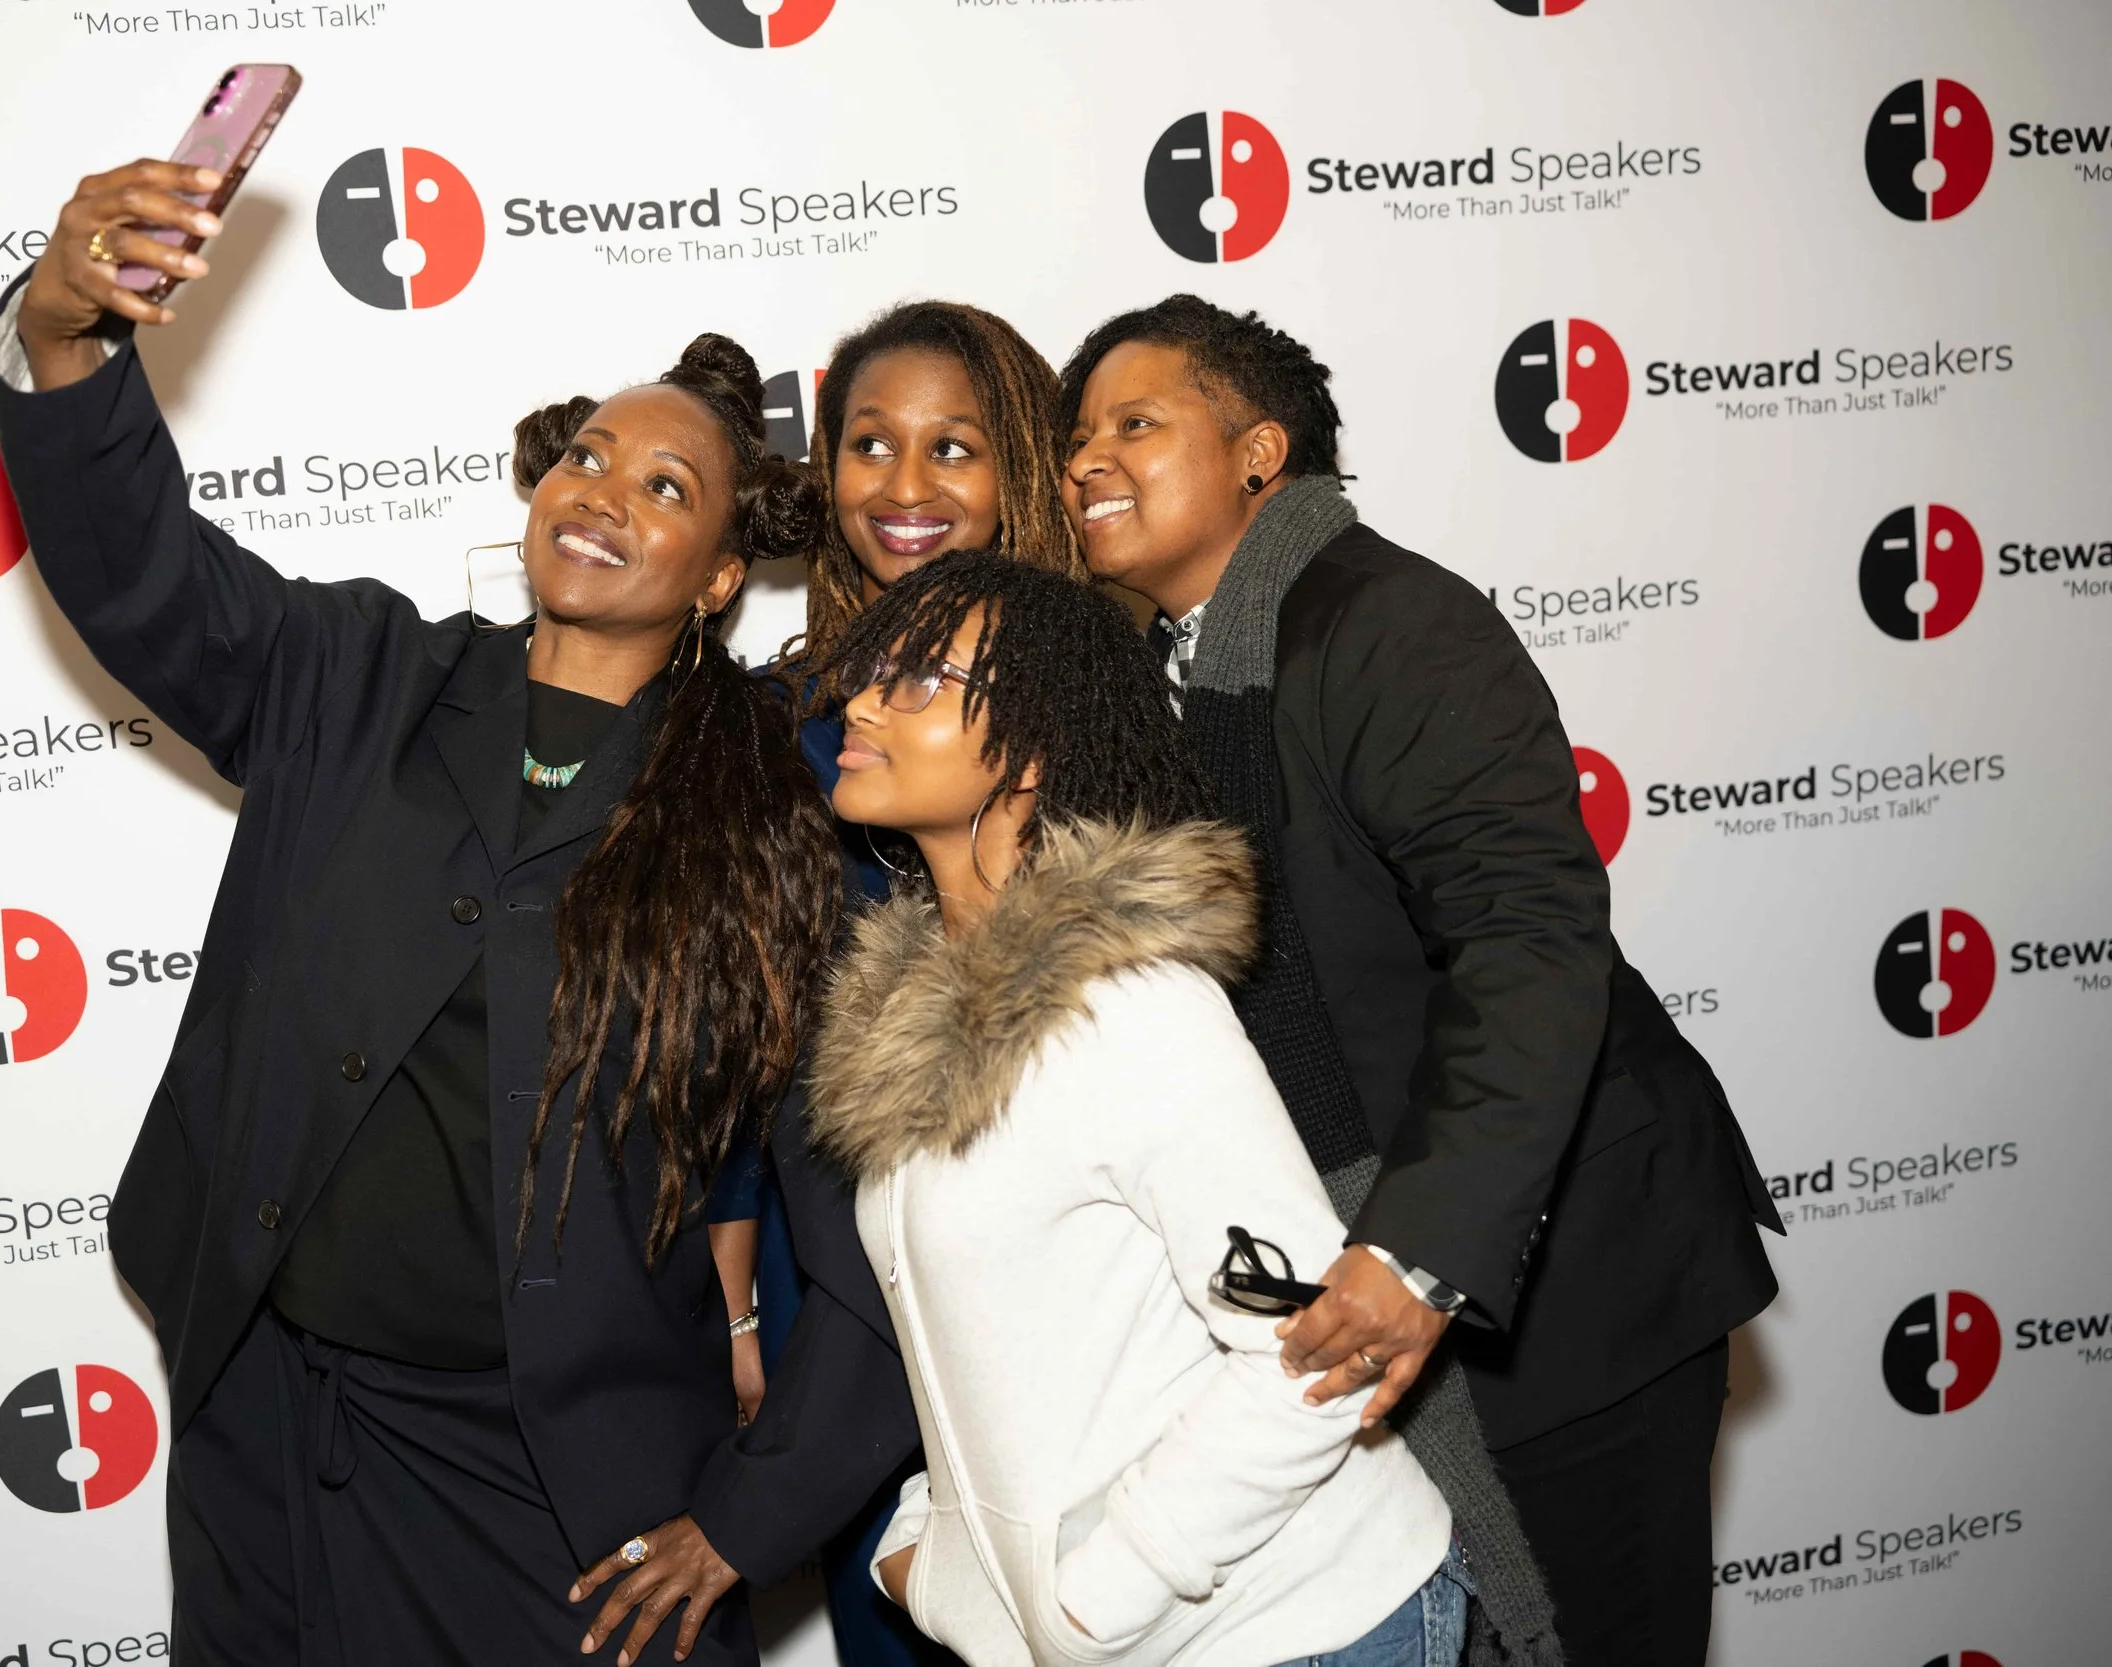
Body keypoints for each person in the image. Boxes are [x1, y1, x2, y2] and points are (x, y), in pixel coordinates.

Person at [0, 159, 915, 1667]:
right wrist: (67, 336)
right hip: (276, 1424)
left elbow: (873, 1218)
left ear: (723, 574)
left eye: (666, 486)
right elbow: (143, 572)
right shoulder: (354, 674)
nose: (605, 491)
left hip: (556, 1486)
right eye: (589, 456)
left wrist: (756, 1512)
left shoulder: (770, 832)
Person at [1058, 294, 1783, 1667]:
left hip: (1566, 1289)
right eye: (1078, 433)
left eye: (1135, 423)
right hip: (1375, 1293)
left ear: (1261, 451)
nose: (1088, 456)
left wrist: (1415, 1249)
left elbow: (1528, 935)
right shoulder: (1175, 679)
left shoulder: (1387, 621)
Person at [806, 553, 1467, 1667]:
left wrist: (1095, 1597)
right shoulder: (919, 1028)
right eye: (871, 672)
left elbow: (1313, 1346)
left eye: (917, 678)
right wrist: (933, 1554)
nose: (861, 702)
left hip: (1300, 1631)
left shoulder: (1132, 1010)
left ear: (1029, 747)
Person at [736, 301, 1084, 1667]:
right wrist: (741, 1281)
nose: (907, 484)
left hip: (1062, 1266)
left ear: (1022, 476)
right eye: (871, 443)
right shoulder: (774, 725)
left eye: (957, 446)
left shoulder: (1110, 702)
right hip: (849, 1295)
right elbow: (735, 1024)